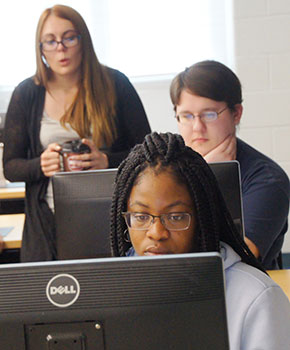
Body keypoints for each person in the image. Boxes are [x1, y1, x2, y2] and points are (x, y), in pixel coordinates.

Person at [110, 132, 290, 349]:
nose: (156, 232)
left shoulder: (255, 297)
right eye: (141, 217)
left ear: (201, 218)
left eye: (176, 217)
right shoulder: (109, 294)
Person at [3, 5, 151, 262]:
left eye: (69, 37)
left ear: (83, 39)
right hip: (48, 218)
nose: (60, 48)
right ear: (40, 48)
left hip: (110, 214)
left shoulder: (115, 84)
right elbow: (11, 168)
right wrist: (42, 164)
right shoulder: (27, 92)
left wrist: (106, 161)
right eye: (50, 41)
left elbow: (149, 154)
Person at [170, 60, 289, 270]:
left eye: (209, 114)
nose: (197, 127)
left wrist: (211, 177)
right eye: (187, 116)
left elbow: (237, 261)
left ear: (236, 113)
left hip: (242, 295)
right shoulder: (166, 167)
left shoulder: (268, 180)